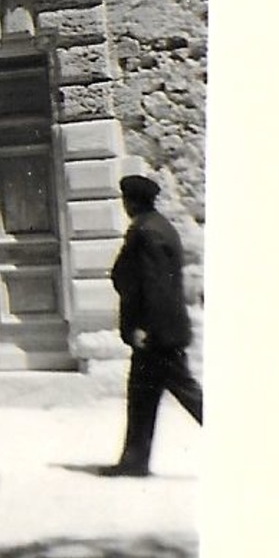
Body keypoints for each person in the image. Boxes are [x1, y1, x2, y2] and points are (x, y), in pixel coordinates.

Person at [104, 173, 203, 477]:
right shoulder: (160, 227)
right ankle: (134, 462)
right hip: (164, 331)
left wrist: (144, 327)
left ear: (131, 202)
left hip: (157, 335)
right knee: (141, 398)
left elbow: (153, 284)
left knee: (188, 395)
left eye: (126, 200)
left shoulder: (146, 231)